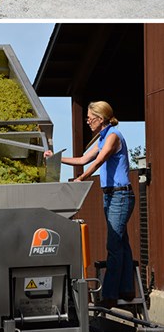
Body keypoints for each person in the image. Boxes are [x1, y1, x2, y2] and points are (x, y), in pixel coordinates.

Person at [44, 101, 135, 308]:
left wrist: (82, 178)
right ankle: (127, 289)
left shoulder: (113, 137)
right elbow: (84, 159)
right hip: (111, 195)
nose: (87, 121)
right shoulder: (102, 138)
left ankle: (110, 295)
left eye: (89, 118)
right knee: (121, 242)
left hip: (121, 195)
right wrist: (56, 158)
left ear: (100, 119)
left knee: (114, 243)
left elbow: (98, 161)